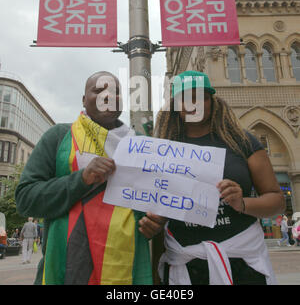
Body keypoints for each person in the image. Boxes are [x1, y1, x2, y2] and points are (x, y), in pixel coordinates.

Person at [15, 71, 165, 285]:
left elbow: (156, 204)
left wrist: (154, 223)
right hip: (67, 270)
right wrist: (81, 179)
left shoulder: (142, 144)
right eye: (99, 90)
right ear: (84, 100)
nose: (108, 96)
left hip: (126, 272)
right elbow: (25, 199)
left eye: (115, 92)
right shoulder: (58, 137)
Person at [154, 70, 286, 285]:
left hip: (242, 264)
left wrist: (242, 202)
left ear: (212, 101)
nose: (194, 104)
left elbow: (277, 201)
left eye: (201, 97)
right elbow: (155, 204)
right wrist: (155, 221)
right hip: (186, 265)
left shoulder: (242, 142)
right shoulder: (163, 149)